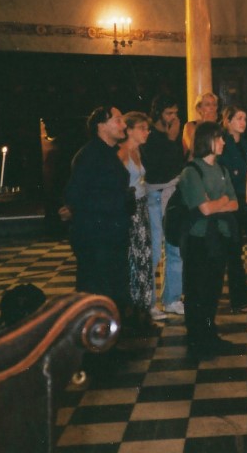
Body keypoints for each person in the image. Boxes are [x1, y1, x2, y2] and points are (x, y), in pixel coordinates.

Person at [178, 121, 239, 360]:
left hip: (219, 236)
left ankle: (210, 335)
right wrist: (221, 201)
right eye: (219, 138)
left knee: (213, 290)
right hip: (198, 239)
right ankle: (197, 340)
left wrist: (217, 202)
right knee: (197, 291)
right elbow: (204, 209)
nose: (223, 142)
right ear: (207, 141)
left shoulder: (222, 169)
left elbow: (234, 203)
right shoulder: (192, 171)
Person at [62, 106, 132, 313]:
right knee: (98, 295)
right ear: (101, 126)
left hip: (111, 235)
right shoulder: (90, 155)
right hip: (97, 238)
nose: (124, 125)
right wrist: (117, 202)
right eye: (118, 120)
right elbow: (74, 194)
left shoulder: (108, 153)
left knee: (113, 293)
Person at [141, 95, 185, 319]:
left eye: (175, 113)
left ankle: (172, 298)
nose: (173, 118)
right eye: (169, 113)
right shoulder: (151, 136)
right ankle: (149, 302)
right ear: (158, 114)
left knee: (175, 248)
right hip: (155, 195)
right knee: (154, 251)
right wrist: (171, 139)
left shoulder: (172, 134)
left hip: (172, 193)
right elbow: (156, 168)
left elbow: (177, 163)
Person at [117, 111, 157, 326]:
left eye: (147, 128)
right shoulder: (122, 152)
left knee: (144, 255)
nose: (147, 132)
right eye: (142, 128)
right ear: (129, 130)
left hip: (142, 206)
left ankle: (143, 306)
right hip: (130, 209)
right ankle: (132, 308)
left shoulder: (138, 151)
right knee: (133, 256)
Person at [217, 105, 247, 314]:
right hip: (231, 200)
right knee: (234, 252)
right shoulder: (223, 143)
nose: (243, 122)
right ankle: (239, 300)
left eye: (245, 119)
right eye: (239, 118)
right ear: (228, 121)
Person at [182, 91, 219, 159]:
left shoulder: (219, 127)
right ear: (199, 108)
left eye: (214, 105)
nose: (212, 108)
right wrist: (206, 124)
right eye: (208, 105)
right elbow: (195, 149)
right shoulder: (190, 126)